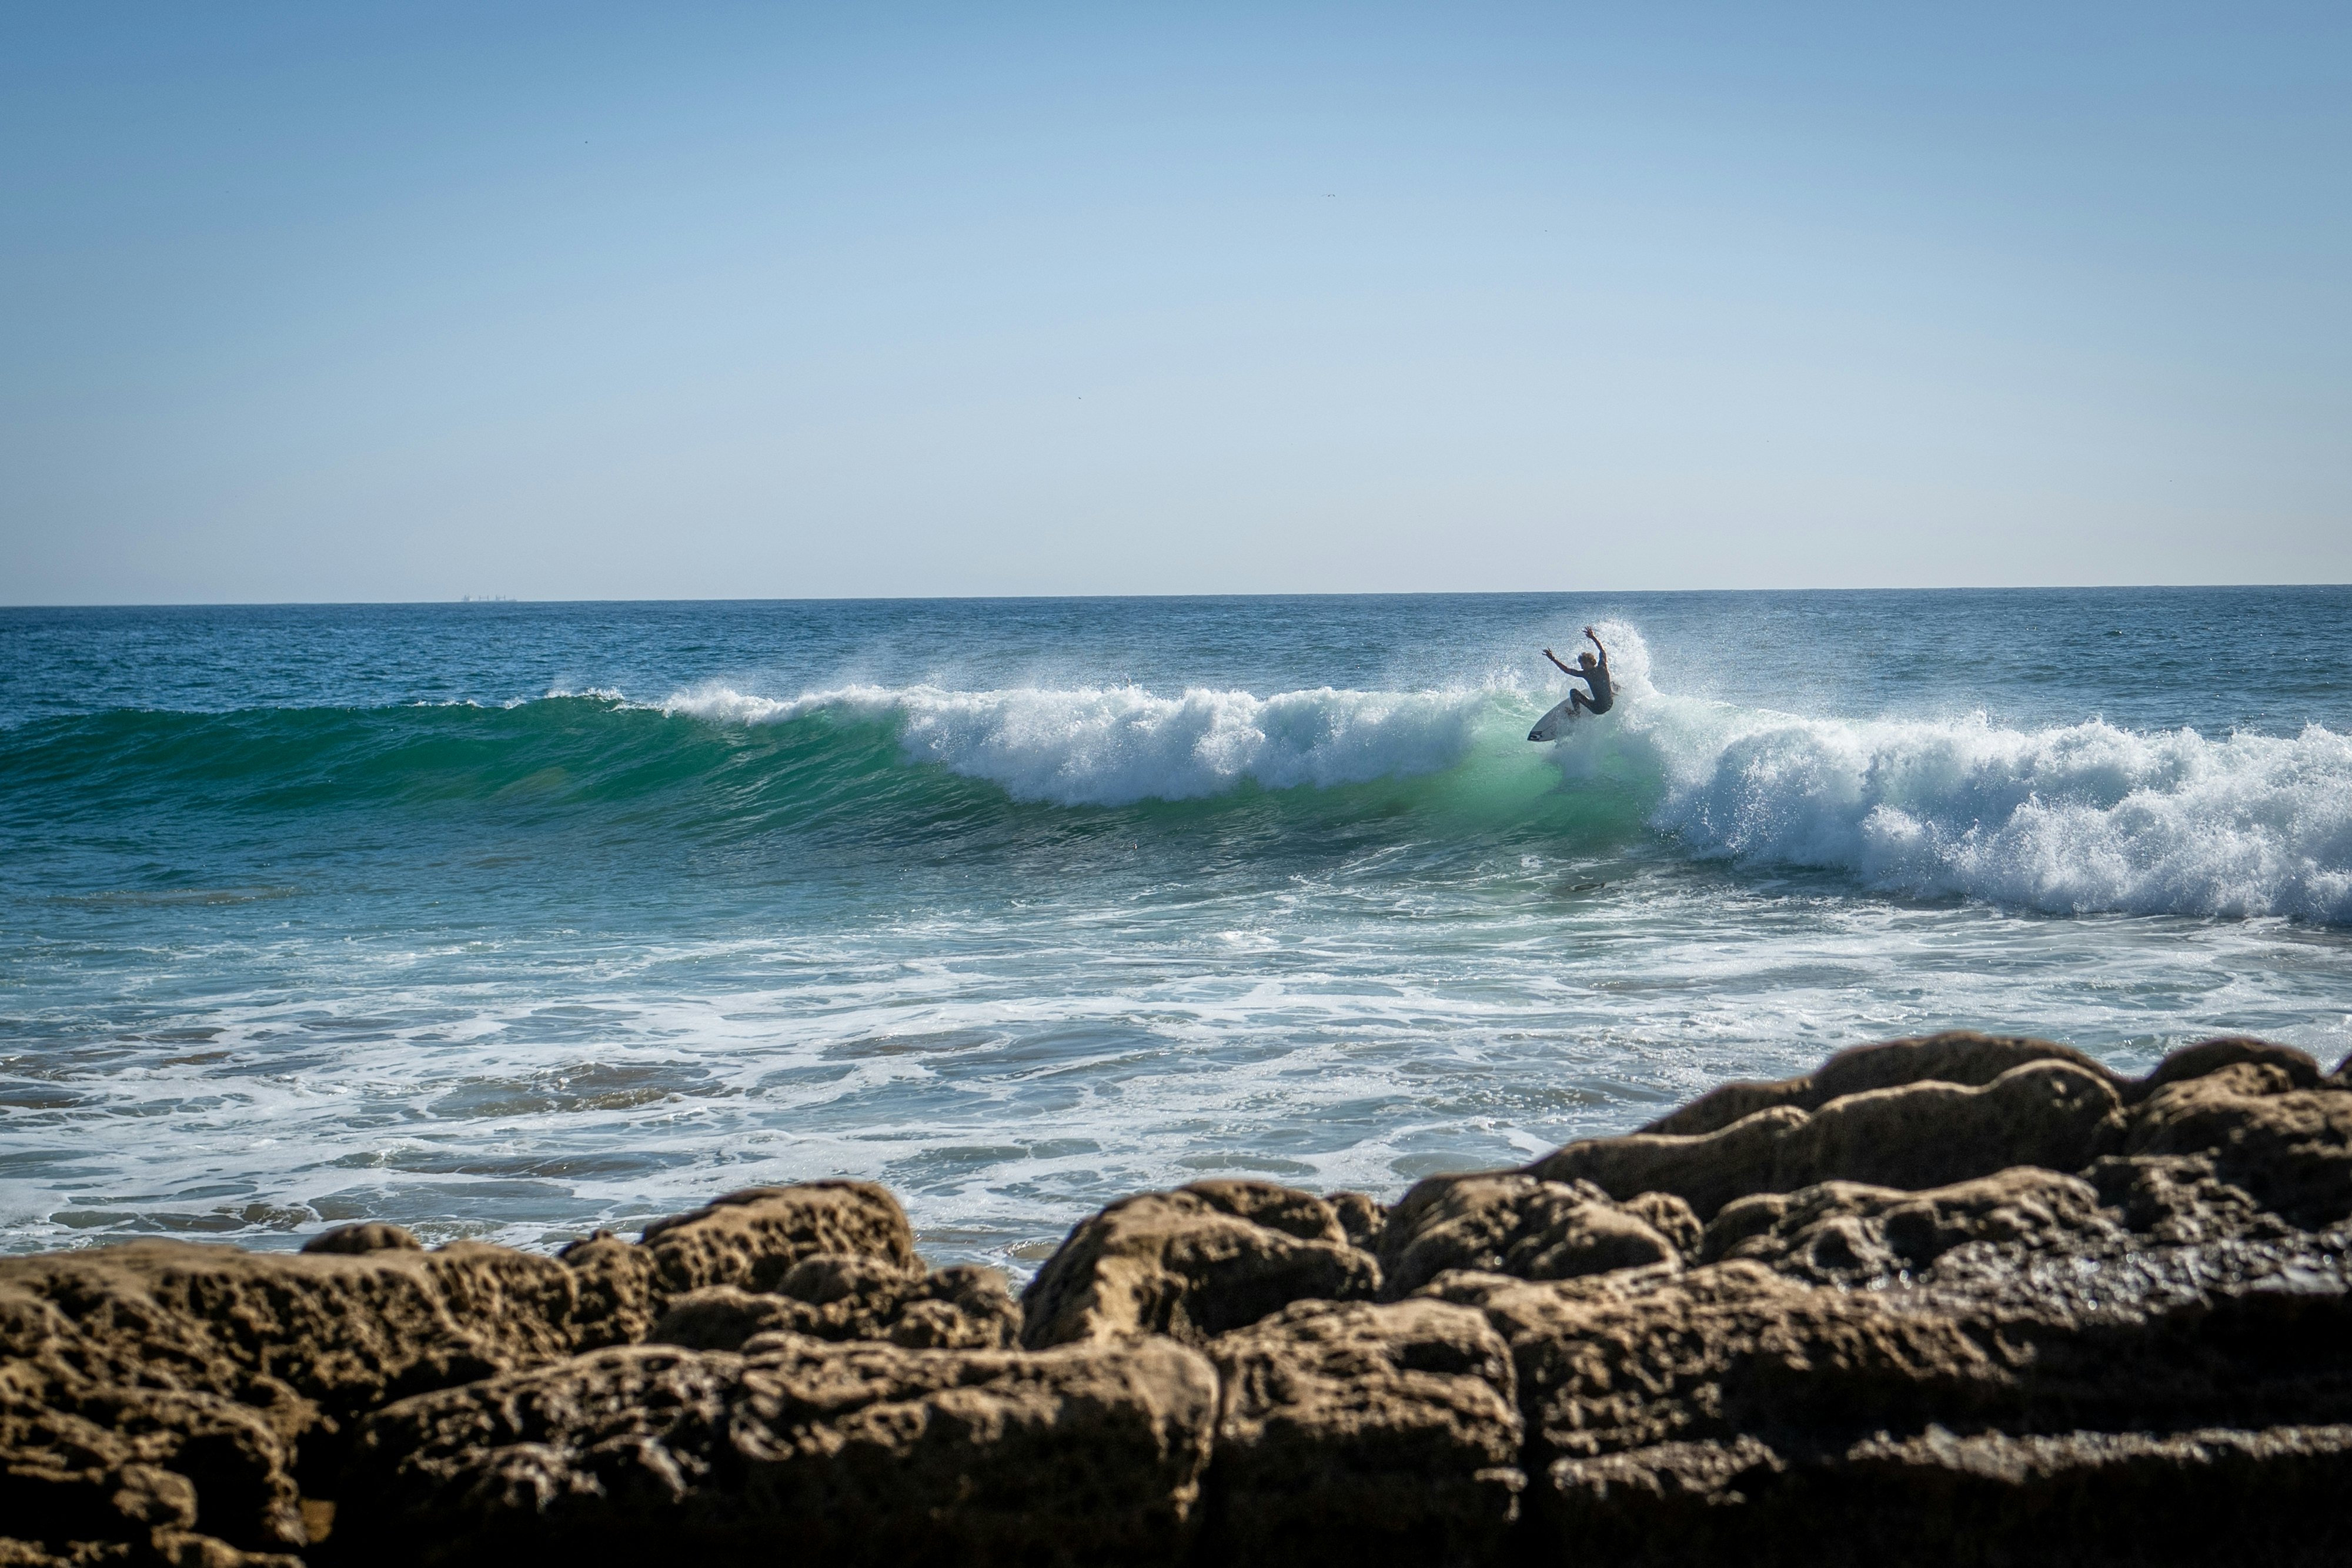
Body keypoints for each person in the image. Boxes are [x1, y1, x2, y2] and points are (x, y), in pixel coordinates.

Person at [1542, 627, 1613, 717]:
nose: (1581, 667)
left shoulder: (1586, 674)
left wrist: (1553, 659)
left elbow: (1567, 670)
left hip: (1598, 709)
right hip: (1610, 704)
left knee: (1573, 692)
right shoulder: (1602, 667)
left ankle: (1576, 714)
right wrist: (1593, 637)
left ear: (1587, 663)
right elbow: (1602, 651)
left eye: (1582, 664)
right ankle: (1613, 693)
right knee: (1610, 683)